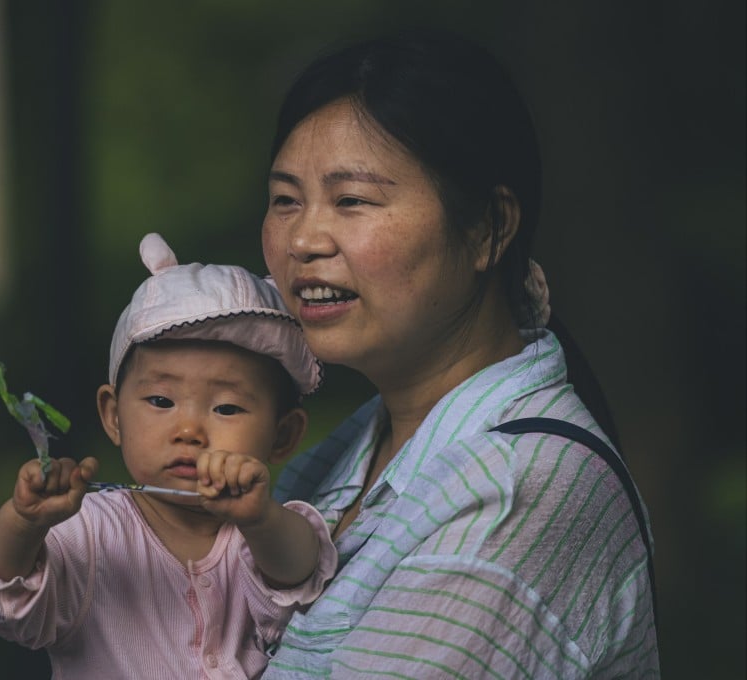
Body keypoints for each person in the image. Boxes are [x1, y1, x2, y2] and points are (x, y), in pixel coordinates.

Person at [257, 29, 660, 678]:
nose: (302, 238)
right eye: (284, 201)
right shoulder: (335, 459)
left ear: (488, 229)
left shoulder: (511, 494)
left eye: (352, 200)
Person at [0, 232, 338, 679]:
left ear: (283, 435)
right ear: (113, 415)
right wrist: (24, 523)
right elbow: (4, 599)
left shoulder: (263, 532)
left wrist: (260, 520)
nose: (189, 431)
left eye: (227, 408)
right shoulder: (90, 532)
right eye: (161, 401)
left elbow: (301, 576)